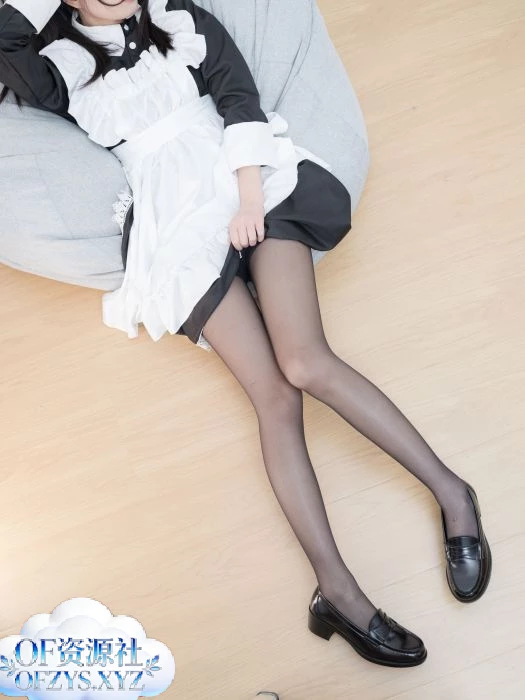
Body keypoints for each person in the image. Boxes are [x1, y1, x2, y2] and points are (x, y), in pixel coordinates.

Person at [0, 0, 491, 667]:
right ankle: (337, 594)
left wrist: (250, 199)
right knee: (274, 398)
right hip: (172, 227)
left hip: (249, 183)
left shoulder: (178, 17)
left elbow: (239, 98)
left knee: (304, 362)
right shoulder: (58, 64)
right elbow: (9, 39)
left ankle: (452, 492)